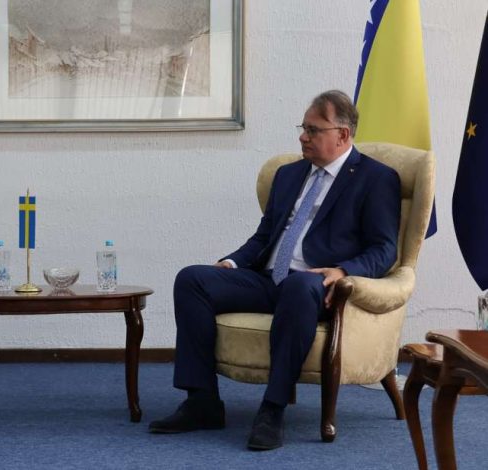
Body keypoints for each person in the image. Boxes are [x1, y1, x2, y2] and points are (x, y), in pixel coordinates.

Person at [149, 90, 401, 450]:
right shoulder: (288, 174)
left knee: (299, 286)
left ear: (342, 135)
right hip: (267, 279)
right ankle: (202, 402)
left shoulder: (375, 178)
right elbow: (264, 237)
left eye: (313, 130)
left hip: (316, 286)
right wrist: (231, 262)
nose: (303, 137)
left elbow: (384, 249)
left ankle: (272, 409)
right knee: (192, 279)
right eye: (303, 128)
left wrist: (344, 271)